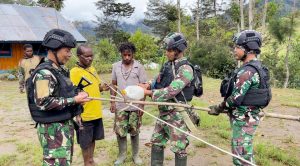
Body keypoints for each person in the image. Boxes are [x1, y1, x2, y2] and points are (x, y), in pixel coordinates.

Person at [26, 29, 90, 166]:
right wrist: (75, 100)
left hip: (62, 126)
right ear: (54, 49)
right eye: (67, 51)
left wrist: (77, 96)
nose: (70, 55)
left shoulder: (59, 71)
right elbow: (43, 102)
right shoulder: (44, 73)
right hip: (52, 129)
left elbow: (64, 93)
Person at [208, 30, 271, 165]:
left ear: (248, 50)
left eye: (237, 47)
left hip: (244, 120)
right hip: (248, 118)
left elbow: (234, 99)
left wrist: (218, 108)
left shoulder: (247, 71)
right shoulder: (257, 67)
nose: (234, 50)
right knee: (244, 154)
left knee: (242, 159)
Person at [139, 32, 196, 166]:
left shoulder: (186, 69)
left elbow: (171, 91)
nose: (167, 53)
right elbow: (158, 80)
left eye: (170, 50)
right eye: (167, 50)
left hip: (177, 114)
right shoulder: (168, 65)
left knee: (179, 148)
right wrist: (147, 84)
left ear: (178, 51)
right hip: (163, 113)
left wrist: (147, 92)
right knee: (157, 142)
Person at [70, 44, 109, 166]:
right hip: (84, 114)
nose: (90, 59)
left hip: (96, 112)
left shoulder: (92, 69)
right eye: (86, 56)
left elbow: (96, 87)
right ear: (79, 56)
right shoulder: (74, 72)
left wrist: (102, 88)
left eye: (91, 56)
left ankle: (91, 160)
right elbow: (72, 94)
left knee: (92, 139)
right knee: (85, 142)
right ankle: (87, 162)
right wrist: (77, 114)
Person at [110, 42, 147, 165]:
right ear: (121, 54)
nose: (127, 57)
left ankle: (136, 156)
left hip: (135, 105)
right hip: (121, 105)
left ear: (133, 54)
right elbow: (113, 85)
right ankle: (122, 155)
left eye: (129, 55)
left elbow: (144, 87)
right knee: (120, 131)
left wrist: (142, 105)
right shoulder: (115, 66)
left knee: (134, 131)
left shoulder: (139, 67)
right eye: (124, 55)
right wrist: (112, 102)